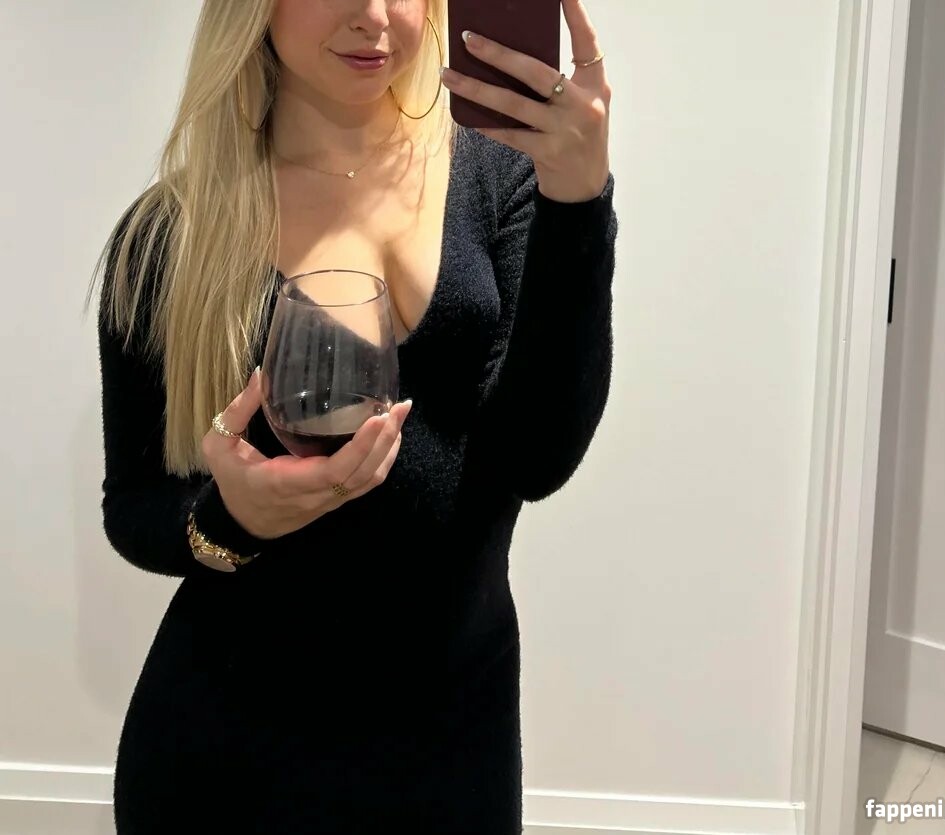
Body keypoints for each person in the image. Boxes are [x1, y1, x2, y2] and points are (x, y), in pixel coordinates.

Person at [91, 0, 615, 832]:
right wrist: (228, 520)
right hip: (226, 763)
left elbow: (536, 457)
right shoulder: (171, 235)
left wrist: (579, 203)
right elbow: (134, 508)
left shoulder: (502, 180)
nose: (372, 15)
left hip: (454, 743)